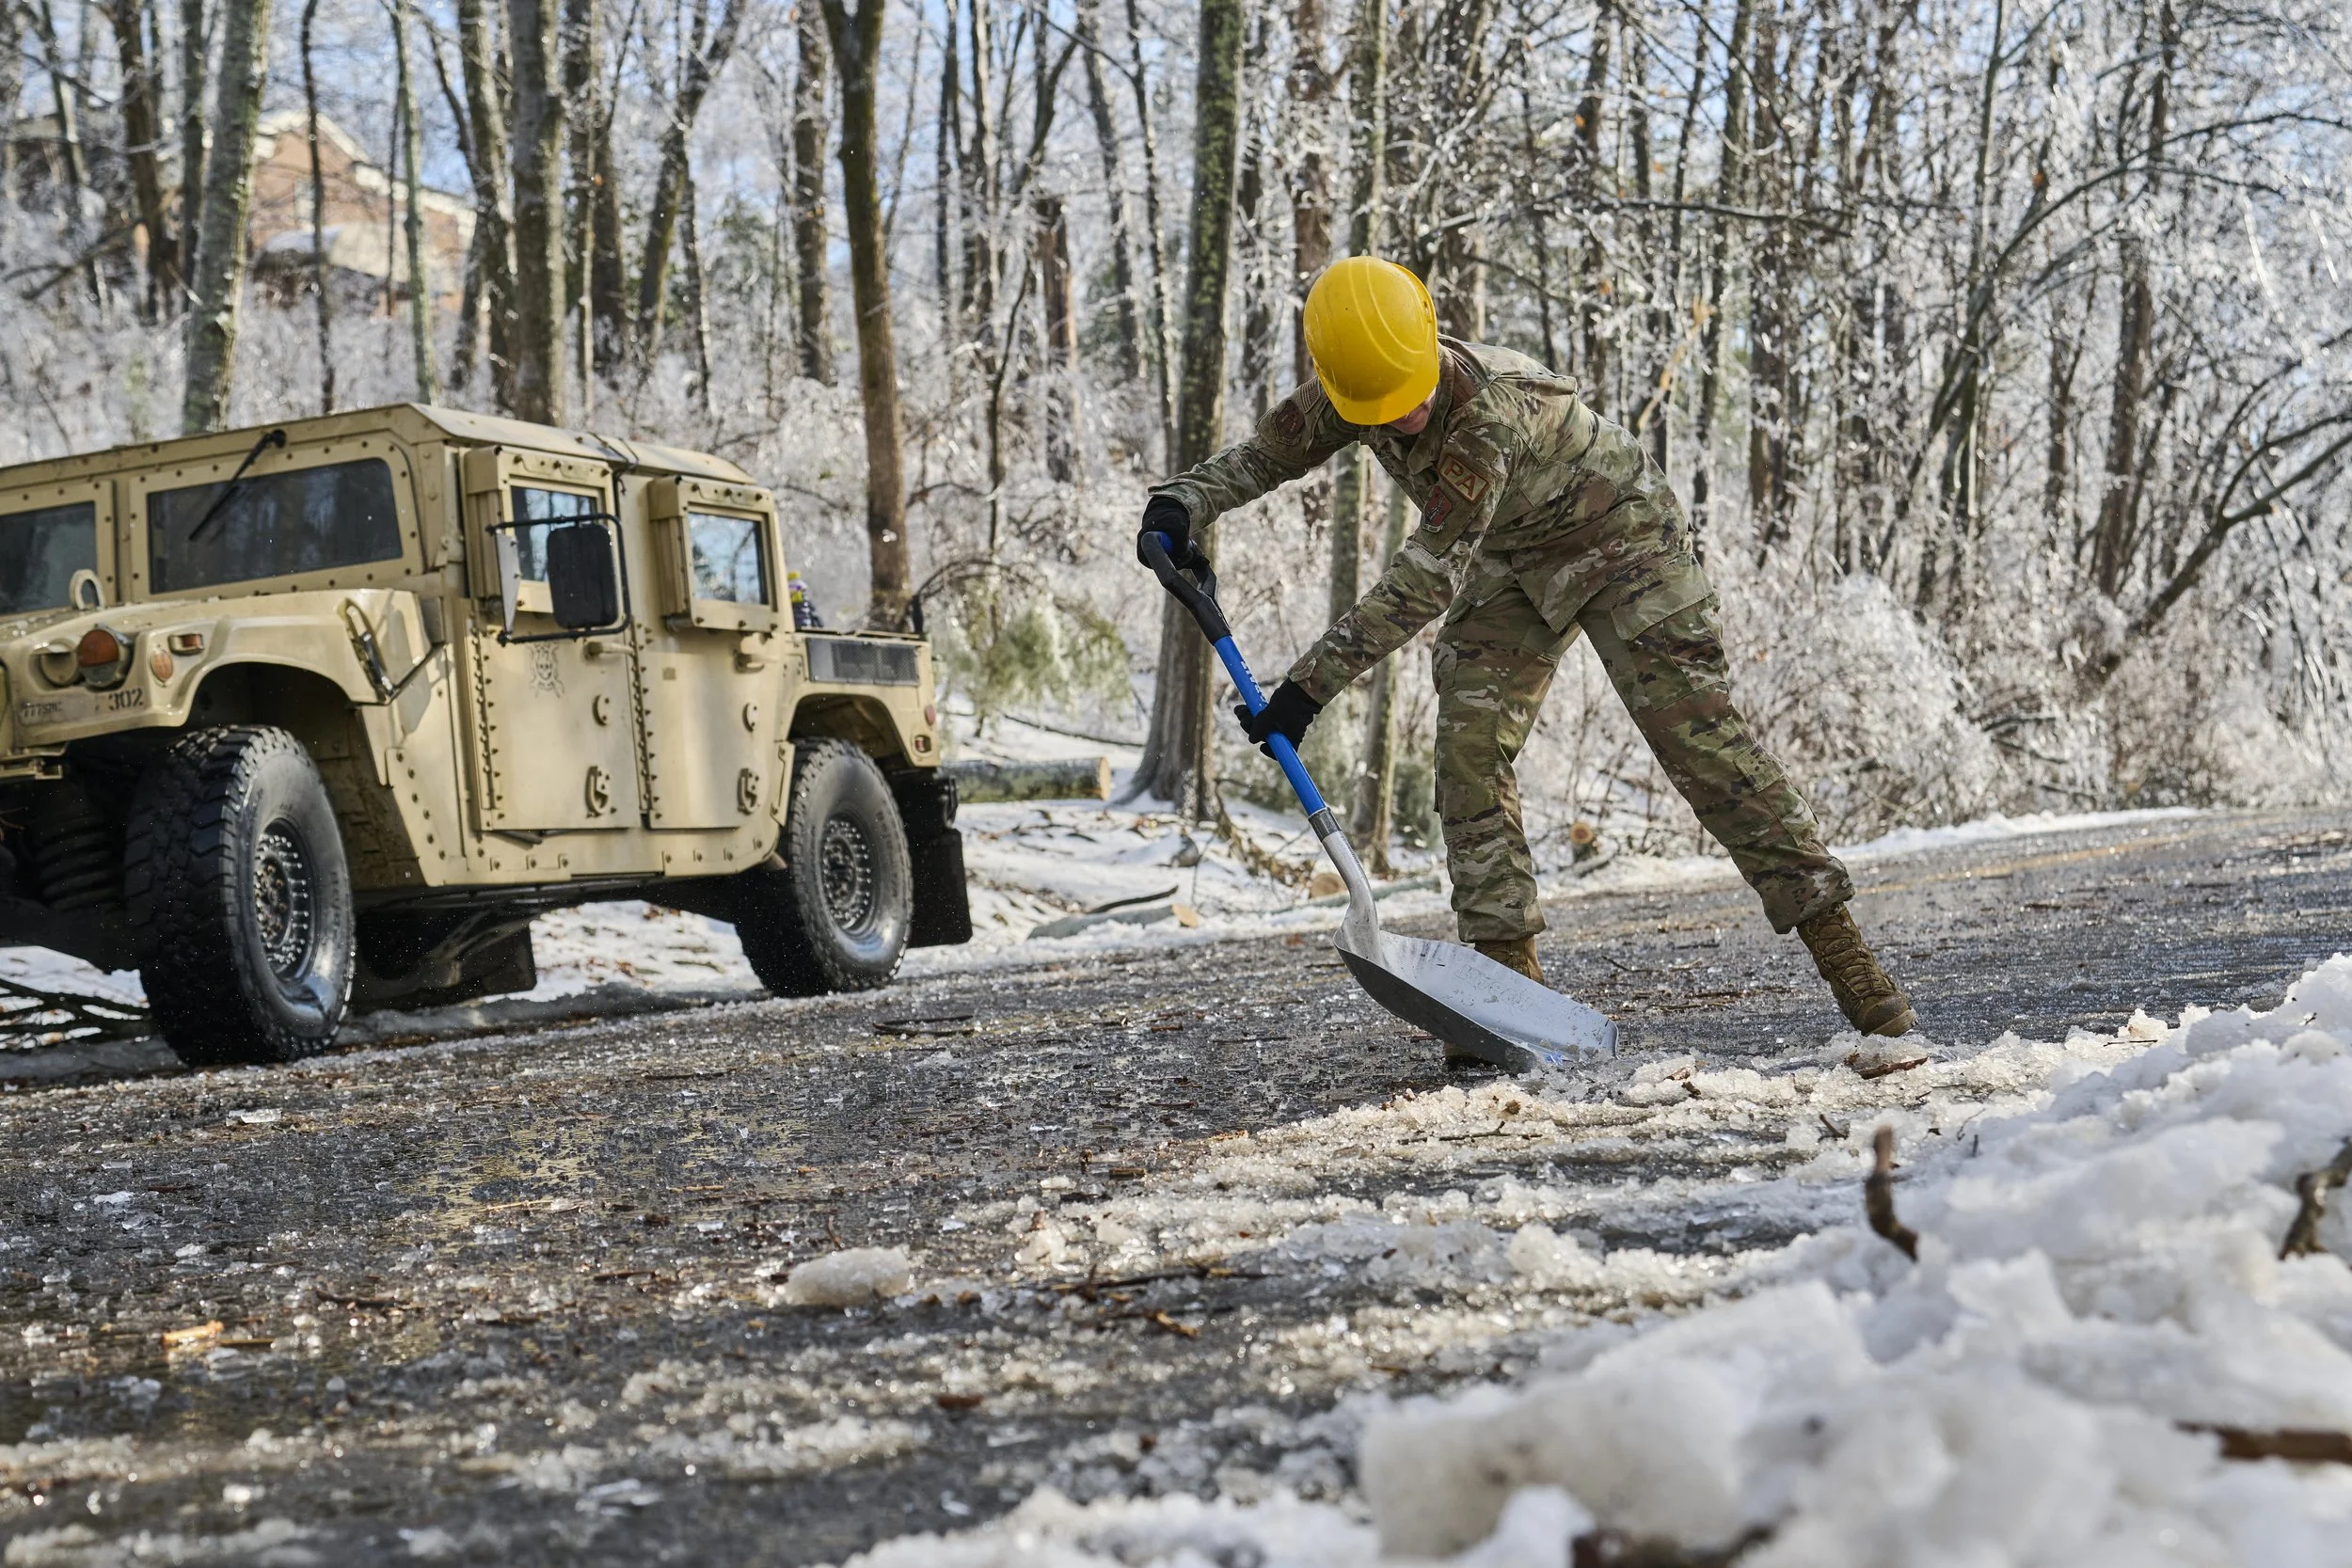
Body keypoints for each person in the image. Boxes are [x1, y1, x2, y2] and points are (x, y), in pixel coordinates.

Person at [1137, 257, 1915, 1037]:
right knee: (1468, 748)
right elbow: (1266, 454)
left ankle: (1853, 967)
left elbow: (1424, 582)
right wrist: (1181, 502)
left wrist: (1305, 689)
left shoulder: (1488, 416)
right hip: (1512, 558)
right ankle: (1508, 1002)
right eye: (1383, 410)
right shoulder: (1364, 382)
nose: (1403, 417)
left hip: (1624, 544)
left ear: (1431, 342)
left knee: (1705, 751)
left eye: (1413, 400)